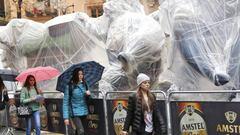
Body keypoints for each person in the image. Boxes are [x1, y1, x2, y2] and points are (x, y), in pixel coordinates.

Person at [63, 67, 91, 135]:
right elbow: (65, 102)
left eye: (82, 74)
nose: (81, 76)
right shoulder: (70, 86)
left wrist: (88, 95)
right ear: (75, 75)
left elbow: (88, 99)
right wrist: (66, 117)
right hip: (74, 113)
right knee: (81, 131)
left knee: (79, 131)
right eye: (79, 74)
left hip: (84, 111)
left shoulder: (85, 84)